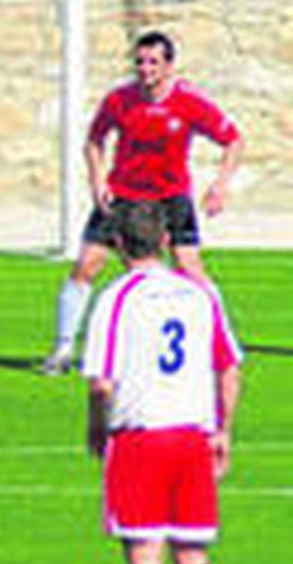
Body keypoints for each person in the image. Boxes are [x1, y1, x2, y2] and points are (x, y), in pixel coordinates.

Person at [80, 202, 241, 564]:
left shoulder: (116, 299)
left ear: (120, 246)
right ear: (168, 242)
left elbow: (103, 382)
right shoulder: (200, 295)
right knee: (193, 554)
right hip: (193, 437)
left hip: (141, 438)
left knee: (145, 557)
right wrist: (223, 431)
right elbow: (229, 368)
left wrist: (95, 430)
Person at [41, 31, 243, 375]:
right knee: (87, 264)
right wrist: (97, 180)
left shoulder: (189, 102)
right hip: (123, 194)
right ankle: (62, 350)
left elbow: (233, 141)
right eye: (140, 62)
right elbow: (94, 140)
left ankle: (222, 345)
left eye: (153, 62)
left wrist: (220, 185)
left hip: (170, 196)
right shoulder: (120, 100)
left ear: (169, 65)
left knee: (190, 268)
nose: (145, 69)